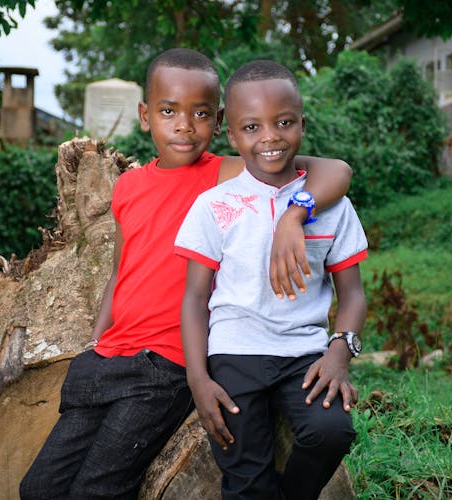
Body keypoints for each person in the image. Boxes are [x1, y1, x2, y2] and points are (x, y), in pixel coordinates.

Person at [19, 49, 353, 499]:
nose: (184, 125)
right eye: (169, 111)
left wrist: (297, 213)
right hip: (111, 358)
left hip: (169, 362)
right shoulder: (129, 186)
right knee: (37, 488)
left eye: (199, 113)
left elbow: (335, 169)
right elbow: (121, 271)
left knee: (97, 489)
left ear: (219, 124)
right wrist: (96, 344)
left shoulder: (225, 172)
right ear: (145, 116)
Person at [175, 59, 368, 500]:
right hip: (234, 354)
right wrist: (198, 379)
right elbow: (194, 297)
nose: (269, 138)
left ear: (303, 123)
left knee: (332, 432)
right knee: (246, 478)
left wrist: (341, 351)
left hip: (303, 353)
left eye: (283, 122)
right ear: (232, 134)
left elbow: (352, 293)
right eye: (252, 127)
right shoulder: (214, 205)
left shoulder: (333, 205)